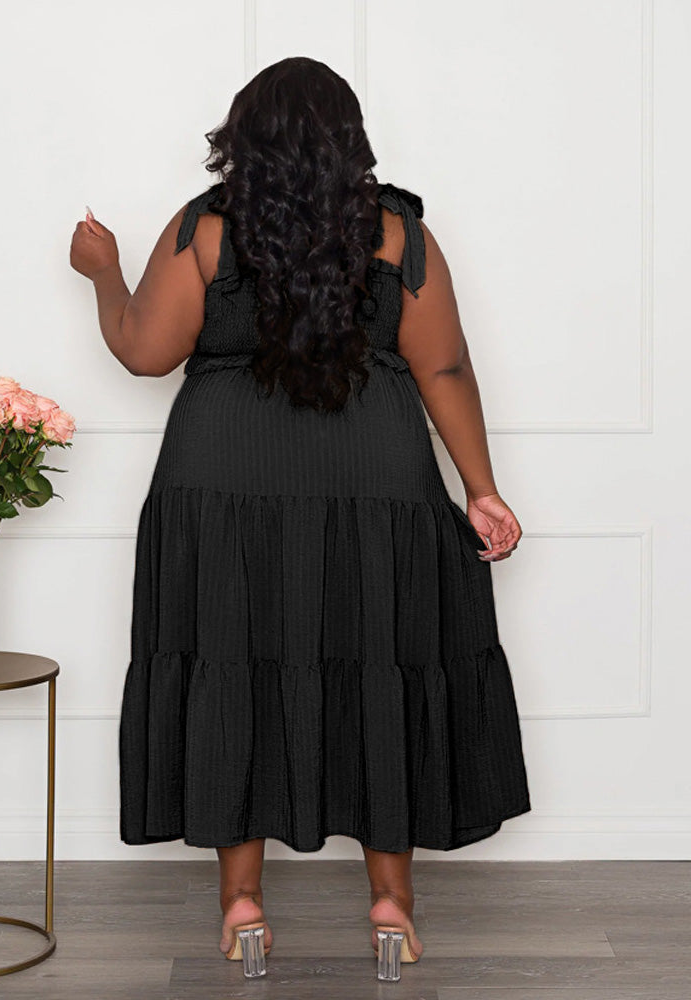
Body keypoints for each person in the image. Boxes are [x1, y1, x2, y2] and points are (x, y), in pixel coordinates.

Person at [70, 55, 531, 982]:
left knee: (231, 665)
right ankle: (392, 909)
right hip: (377, 485)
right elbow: (442, 369)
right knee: (380, 667)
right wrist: (481, 487)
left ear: (240, 136)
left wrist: (103, 270)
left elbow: (142, 352)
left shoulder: (206, 230)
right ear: (350, 138)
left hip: (221, 482)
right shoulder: (400, 234)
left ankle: (243, 908)